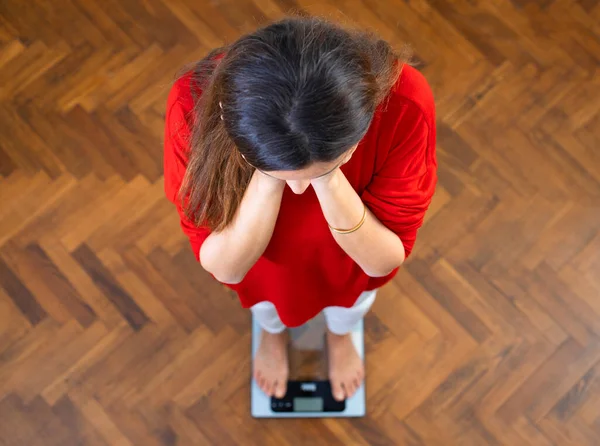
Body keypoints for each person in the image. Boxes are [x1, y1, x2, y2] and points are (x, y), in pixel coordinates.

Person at [164, 17, 437, 402]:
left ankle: (339, 337)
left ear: (364, 122)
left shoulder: (404, 99)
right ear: (227, 114)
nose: (298, 189)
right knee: (267, 311)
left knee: (349, 310)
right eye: (280, 174)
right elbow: (227, 266)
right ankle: (272, 338)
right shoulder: (191, 103)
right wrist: (275, 176)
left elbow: (381, 260)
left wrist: (327, 178)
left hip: (351, 265)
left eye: (329, 164)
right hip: (260, 267)